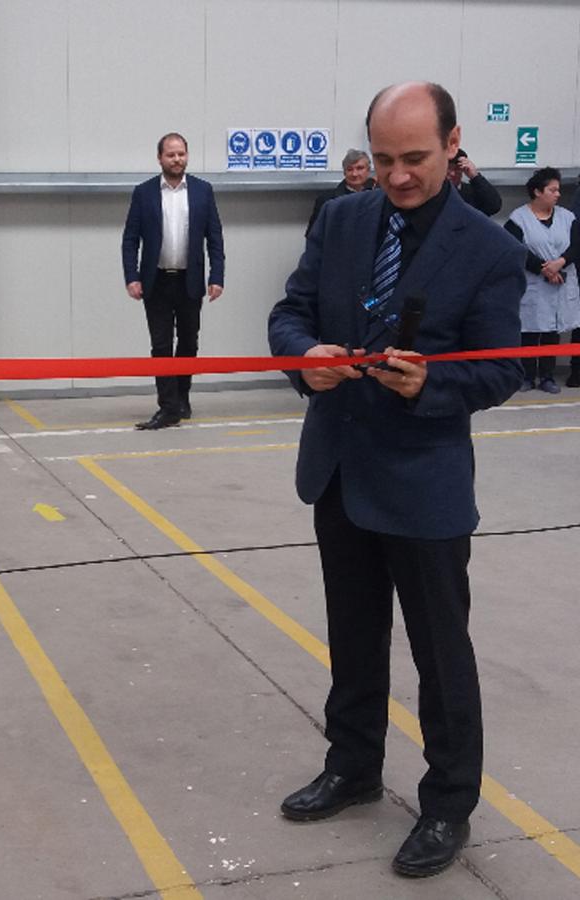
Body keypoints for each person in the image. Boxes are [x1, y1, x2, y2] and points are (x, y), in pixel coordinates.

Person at [268, 82, 525, 878]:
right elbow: (291, 312)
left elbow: (502, 369)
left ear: (452, 144)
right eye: (383, 159)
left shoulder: (489, 250)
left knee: (441, 652)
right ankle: (352, 766)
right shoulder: (342, 220)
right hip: (341, 468)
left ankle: (447, 803)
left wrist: (431, 385)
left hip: (423, 482)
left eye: (414, 157)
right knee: (352, 634)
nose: (397, 175)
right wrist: (304, 358)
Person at [121, 132, 225, 429]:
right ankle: (167, 407)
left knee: (189, 342)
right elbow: (130, 240)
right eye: (171, 155)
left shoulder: (203, 191)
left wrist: (216, 276)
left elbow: (214, 238)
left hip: (190, 280)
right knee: (161, 344)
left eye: (181, 154)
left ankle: (182, 398)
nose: (177, 159)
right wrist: (132, 277)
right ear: (160, 158)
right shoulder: (144, 193)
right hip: (156, 281)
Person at [503, 167, 580, 393]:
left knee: (551, 331)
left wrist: (560, 263)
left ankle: (547, 376)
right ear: (538, 192)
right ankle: (527, 376)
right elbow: (515, 249)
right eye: (552, 190)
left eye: (558, 190)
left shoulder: (568, 217)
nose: (557, 194)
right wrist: (543, 269)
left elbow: (576, 245)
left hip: (560, 281)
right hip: (534, 283)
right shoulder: (518, 219)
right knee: (529, 330)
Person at [306, 149, 375, 236]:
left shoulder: (379, 197)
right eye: (349, 169)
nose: (354, 174)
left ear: (368, 170)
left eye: (359, 168)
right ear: (344, 172)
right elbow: (313, 235)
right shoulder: (327, 200)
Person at [447, 148, 501, 217]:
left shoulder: (473, 191)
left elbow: (494, 206)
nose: (452, 173)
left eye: (457, 169)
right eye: (448, 168)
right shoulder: (435, 192)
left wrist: (475, 176)